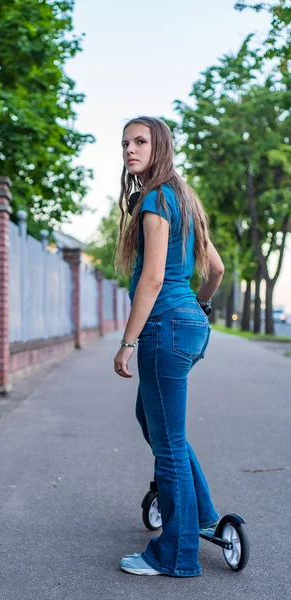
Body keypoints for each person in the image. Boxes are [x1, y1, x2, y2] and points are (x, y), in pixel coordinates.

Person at [113, 116, 225, 578]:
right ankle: (200, 514)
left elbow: (154, 278)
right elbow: (214, 269)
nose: (130, 150)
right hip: (189, 324)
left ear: (160, 146)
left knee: (169, 442)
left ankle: (177, 555)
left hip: (165, 328)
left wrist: (126, 342)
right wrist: (198, 309)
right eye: (125, 143)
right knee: (154, 421)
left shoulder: (157, 198)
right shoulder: (181, 196)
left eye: (140, 141)